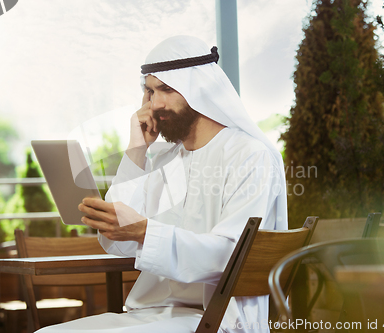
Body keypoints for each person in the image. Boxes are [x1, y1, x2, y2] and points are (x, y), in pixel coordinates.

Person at [37, 35, 287, 333]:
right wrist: (136, 150)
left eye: (166, 89)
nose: (155, 104)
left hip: (218, 318)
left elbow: (231, 256)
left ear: (200, 90)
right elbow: (117, 244)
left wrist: (145, 230)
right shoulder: (166, 159)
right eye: (149, 91)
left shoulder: (250, 155)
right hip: (156, 312)